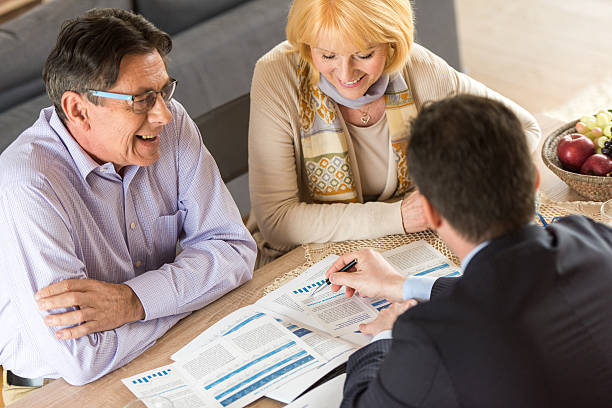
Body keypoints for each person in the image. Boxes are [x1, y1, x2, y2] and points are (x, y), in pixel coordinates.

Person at [0, 8, 256, 403]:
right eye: (141, 100)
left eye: (165, 91)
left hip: (166, 349)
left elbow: (235, 250)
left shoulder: (172, 126)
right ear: (77, 109)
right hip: (54, 389)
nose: (164, 114)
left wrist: (134, 302)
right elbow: (80, 359)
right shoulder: (29, 182)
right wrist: (186, 294)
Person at [326, 95, 612, 407]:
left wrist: (386, 336)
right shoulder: (593, 236)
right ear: (534, 182)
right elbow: (513, 287)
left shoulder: (430, 339)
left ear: (430, 213)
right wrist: (400, 285)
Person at [247, 0, 541, 265]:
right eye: (328, 55)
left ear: (391, 43)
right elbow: (278, 222)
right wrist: (398, 216)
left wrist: (453, 189)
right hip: (301, 260)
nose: (346, 74)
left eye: (363, 54)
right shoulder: (276, 76)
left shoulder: (419, 68)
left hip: (411, 250)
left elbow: (524, 129)